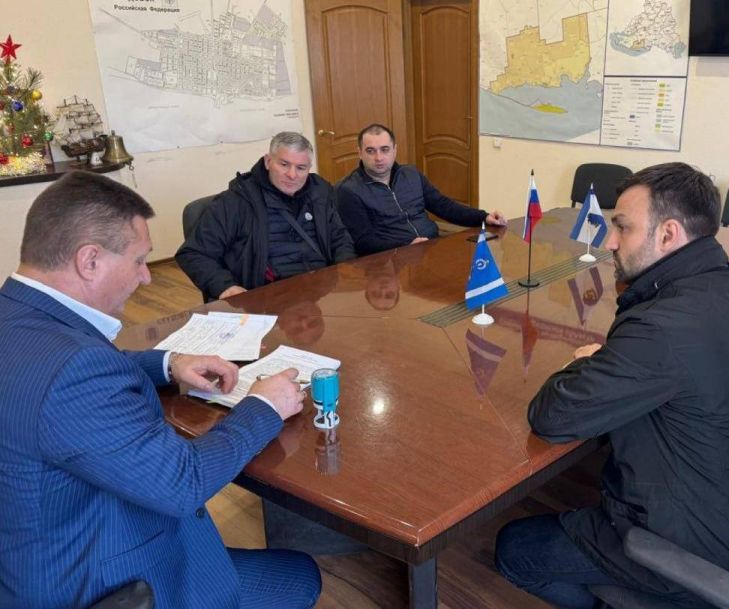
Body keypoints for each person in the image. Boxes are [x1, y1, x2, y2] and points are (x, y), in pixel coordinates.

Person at [0, 171, 321, 609]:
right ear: (89, 261)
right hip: (102, 585)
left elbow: (58, 380)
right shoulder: (74, 372)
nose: (147, 278)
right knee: (301, 577)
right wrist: (264, 404)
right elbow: (184, 482)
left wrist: (170, 363)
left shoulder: (19, 316)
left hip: (33, 550)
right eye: (139, 260)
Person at [495, 163, 729, 609]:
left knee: (515, 548)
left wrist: (589, 362)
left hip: (706, 553)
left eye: (622, 227)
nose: (610, 241)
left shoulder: (662, 327)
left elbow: (551, 416)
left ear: (668, 234)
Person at [176, 131, 355, 301]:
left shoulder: (320, 192)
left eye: (301, 168)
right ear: (268, 161)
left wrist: (343, 267)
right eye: (284, 165)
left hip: (320, 292)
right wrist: (225, 287)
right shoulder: (236, 201)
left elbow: (339, 237)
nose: (292, 175)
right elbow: (193, 253)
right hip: (267, 298)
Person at [335, 123, 507, 255]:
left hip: (431, 247)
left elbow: (443, 205)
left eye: (384, 150)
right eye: (370, 151)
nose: (379, 157)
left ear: (395, 150)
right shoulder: (348, 190)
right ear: (360, 153)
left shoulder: (411, 174)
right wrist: (406, 246)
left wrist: (483, 217)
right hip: (390, 260)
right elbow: (363, 241)